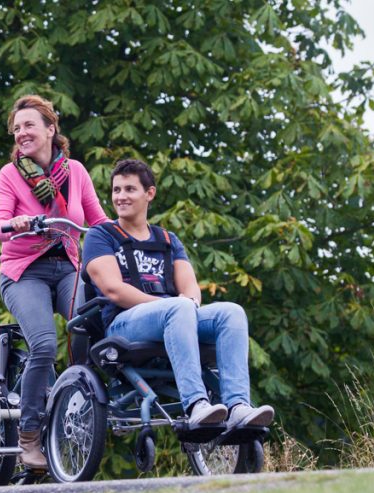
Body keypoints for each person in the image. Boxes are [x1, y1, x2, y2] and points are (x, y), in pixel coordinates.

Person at [81, 158, 274, 430]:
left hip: (174, 317)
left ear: (150, 194)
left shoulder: (168, 240)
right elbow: (113, 290)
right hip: (124, 324)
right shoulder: (101, 235)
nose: (121, 197)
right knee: (180, 308)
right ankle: (196, 405)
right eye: (116, 190)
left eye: (129, 189)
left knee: (231, 313)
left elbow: (191, 290)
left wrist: (184, 306)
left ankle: (238, 406)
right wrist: (171, 307)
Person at [0, 95, 109, 469]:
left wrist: (127, 234)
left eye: (29, 125)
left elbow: (98, 221)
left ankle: (81, 402)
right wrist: (17, 224)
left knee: (94, 327)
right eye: (17, 127)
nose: (22, 132)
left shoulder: (75, 172)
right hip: (24, 270)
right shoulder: (11, 175)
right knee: (43, 344)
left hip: (69, 267)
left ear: (50, 129)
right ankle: (28, 437)